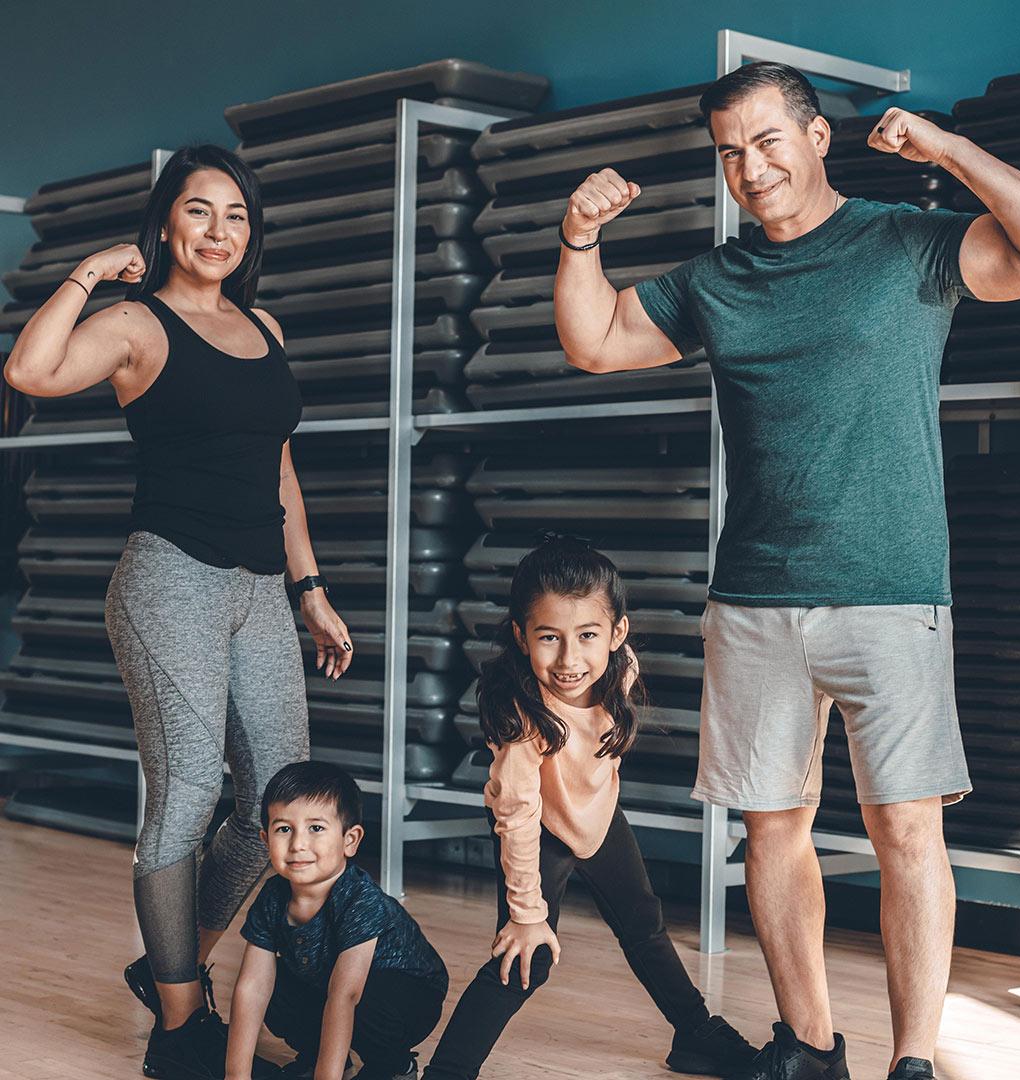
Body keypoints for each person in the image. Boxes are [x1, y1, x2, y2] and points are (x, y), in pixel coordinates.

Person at [552, 61, 1020, 1080]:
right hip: (754, 598)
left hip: (892, 590)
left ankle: (914, 1060)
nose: (751, 168)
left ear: (816, 137)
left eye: (767, 141)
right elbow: (594, 341)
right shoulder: (715, 281)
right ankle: (810, 1045)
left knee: (906, 832)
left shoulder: (906, 243)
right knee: (773, 832)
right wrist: (579, 237)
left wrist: (948, 150)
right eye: (730, 153)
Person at [4, 145, 355, 1080]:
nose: (219, 231)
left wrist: (310, 588)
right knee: (188, 794)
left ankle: (173, 968)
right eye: (200, 211)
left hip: (259, 589)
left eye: (236, 215)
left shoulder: (265, 326)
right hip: (170, 581)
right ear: (166, 221)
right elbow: (30, 371)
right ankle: (179, 1030)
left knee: (279, 804)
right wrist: (88, 271)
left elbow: (279, 470)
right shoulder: (136, 323)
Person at [422, 536, 757, 1080]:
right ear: (521, 636)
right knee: (528, 955)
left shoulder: (619, 670)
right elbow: (516, 815)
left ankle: (696, 1035)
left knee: (645, 925)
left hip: (594, 814)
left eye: (587, 635)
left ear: (617, 633)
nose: (569, 659)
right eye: (548, 637)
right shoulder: (523, 719)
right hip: (533, 825)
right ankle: (448, 1071)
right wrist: (527, 915)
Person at [226, 761, 448, 1080]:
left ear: (350, 840)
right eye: (284, 829)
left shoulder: (359, 898)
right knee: (272, 987)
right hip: (327, 981)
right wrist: (236, 1075)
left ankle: (394, 1065)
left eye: (316, 828)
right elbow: (251, 987)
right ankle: (323, 1057)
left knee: (364, 1003)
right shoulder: (273, 896)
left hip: (407, 997)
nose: (298, 844)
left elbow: (346, 996)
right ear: (265, 840)